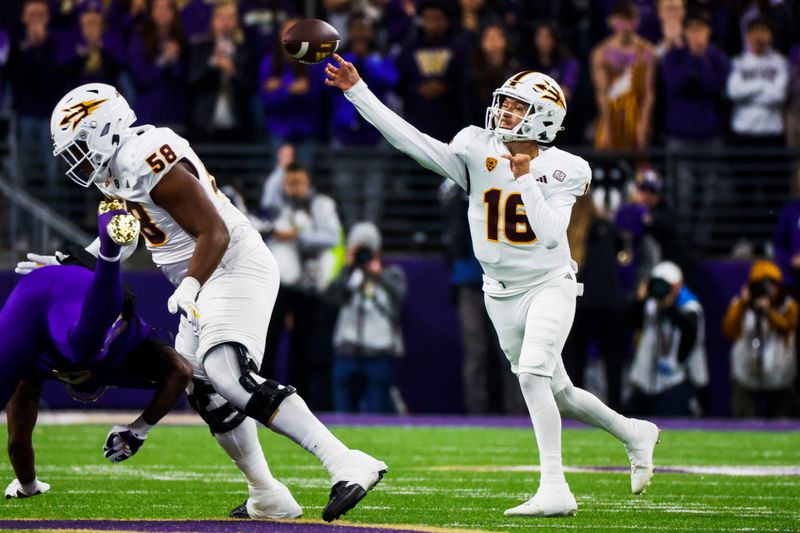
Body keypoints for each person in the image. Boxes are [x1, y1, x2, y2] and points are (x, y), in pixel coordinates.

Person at [26, 82, 386, 522]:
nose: (77, 158)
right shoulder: (119, 170)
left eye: (80, 143)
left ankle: (344, 461)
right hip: (203, 274)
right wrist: (70, 262)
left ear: (103, 127)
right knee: (207, 391)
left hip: (231, 264)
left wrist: (193, 284)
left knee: (227, 373)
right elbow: (129, 234)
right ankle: (266, 494)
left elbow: (214, 230)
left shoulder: (145, 157)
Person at [326, 54, 660, 517]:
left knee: (532, 375)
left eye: (517, 107)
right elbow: (412, 142)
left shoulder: (568, 169)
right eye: (504, 102)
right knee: (558, 391)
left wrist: (524, 179)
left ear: (543, 119)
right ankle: (633, 432)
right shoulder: (475, 146)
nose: (503, 112)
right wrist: (357, 90)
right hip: (498, 291)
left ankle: (555, 487)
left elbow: (549, 235)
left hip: (549, 283)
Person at [2, 201, 193, 498]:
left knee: (79, 344)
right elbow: (181, 372)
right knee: (82, 348)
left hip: (40, 292)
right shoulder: (120, 351)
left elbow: (17, 442)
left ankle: (109, 249)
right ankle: (109, 250)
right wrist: (137, 430)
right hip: (71, 289)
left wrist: (28, 485)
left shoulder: (33, 366)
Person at [260, 157, 343, 410]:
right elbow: (267, 197)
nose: (295, 188)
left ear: (308, 183)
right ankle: (261, 399)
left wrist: (298, 236)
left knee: (304, 346)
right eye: (290, 183)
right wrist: (280, 167)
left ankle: (299, 404)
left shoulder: (321, 205)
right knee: (267, 343)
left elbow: (330, 238)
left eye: (299, 183)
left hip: (307, 285)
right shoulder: (279, 205)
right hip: (278, 286)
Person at [328, 222, 406, 413]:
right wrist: (347, 269)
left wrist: (378, 275)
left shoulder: (392, 274)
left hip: (378, 352)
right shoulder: (346, 277)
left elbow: (400, 295)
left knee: (376, 414)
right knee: (342, 416)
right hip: (347, 351)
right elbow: (330, 298)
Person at [329, 12, 398, 226]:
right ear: (348, 31)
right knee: (347, 197)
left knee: (373, 196)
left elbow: (392, 80)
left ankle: (370, 246)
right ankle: (353, 245)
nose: (360, 32)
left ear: (372, 30)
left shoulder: (381, 57)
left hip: (374, 138)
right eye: (356, 27)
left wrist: (364, 64)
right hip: (344, 139)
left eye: (365, 27)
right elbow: (326, 87)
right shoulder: (338, 57)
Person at [626, 261, 708, 417]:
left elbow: (689, 339)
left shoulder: (690, 308)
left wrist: (669, 309)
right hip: (645, 382)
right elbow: (628, 322)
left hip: (676, 381)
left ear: (677, 286)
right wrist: (640, 300)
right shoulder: (650, 305)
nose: (660, 290)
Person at [721, 260, 798, 418]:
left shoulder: (788, 305)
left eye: (771, 285)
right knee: (743, 426)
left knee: (782, 426)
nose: (766, 290)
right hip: (746, 374)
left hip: (779, 376)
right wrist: (743, 303)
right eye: (760, 285)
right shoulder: (741, 305)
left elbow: (788, 327)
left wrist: (768, 311)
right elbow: (729, 331)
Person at [591, 2, 657, 151]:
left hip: (637, 114)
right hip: (610, 115)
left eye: (629, 20)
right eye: (621, 20)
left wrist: (643, 124)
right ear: (611, 21)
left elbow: (649, 92)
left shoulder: (647, 52)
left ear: (637, 21)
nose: (626, 26)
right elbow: (601, 94)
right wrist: (607, 126)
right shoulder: (601, 53)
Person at [187, 0, 253, 142]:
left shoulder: (244, 51)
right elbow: (191, 81)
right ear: (213, 22)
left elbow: (250, 87)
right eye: (221, 18)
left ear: (237, 22)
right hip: (204, 124)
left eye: (230, 18)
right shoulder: (201, 49)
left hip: (237, 126)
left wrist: (232, 72)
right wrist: (211, 63)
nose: (226, 23)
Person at [726, 16, 789, 148]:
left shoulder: (780, 62)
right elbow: (734, 93)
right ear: (747, 37)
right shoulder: (738, 62)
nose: (759, 37)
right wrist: (762, 84)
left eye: (763, 32)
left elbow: (779, 95)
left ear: (770, 36)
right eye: (754, 32)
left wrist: (747, 94)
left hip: (772, 132)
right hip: (743, 131)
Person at [127, 0, 188, 132]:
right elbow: (141, 79)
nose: (163, 12)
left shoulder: (182, 40)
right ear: (151, 12)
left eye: (167, 8)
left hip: (175, 115)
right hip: (148, 115)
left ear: (174, 13)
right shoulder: (140, 40)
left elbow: (186, 79)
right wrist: (163, 60)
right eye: (158, 8)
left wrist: (175, 59)